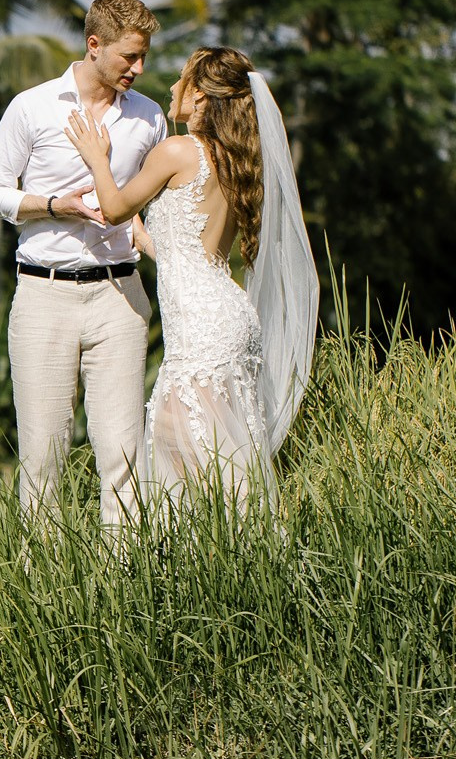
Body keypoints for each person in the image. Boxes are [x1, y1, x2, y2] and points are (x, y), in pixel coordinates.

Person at [62, 45, 317, 507]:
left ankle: (232, 540)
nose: (172, 86)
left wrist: (98, 158)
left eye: (182, 78)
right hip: (229, 314)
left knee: (187, 448)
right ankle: (232, 541)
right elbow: (191, 253)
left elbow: (114, 208)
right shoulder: (234, 161)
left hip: (201, 329)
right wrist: (144, 240)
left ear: (200, 95)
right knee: (214, 452)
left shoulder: (178, 150)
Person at [0, 0, 167, 525]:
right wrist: (54, 205)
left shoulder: (150, 117)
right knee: (43, 458)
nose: (139, 68)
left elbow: (147, 211)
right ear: (94, 45)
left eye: (144, 56)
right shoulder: (32, 107)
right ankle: (45, 577)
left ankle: (127, 572)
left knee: (124, 455)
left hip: (120, 296)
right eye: (129, 56)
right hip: (44, 294)